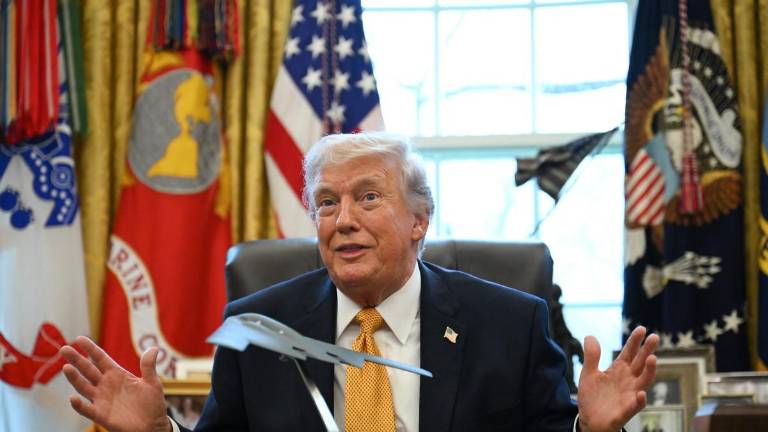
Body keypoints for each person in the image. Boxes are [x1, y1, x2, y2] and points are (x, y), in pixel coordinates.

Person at [60, 132, 658, 432]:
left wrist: (592, 430)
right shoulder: (260, 329)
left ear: (419, 220)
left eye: (368, 198)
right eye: (326, 203)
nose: (343, 219)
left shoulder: (510, 323)